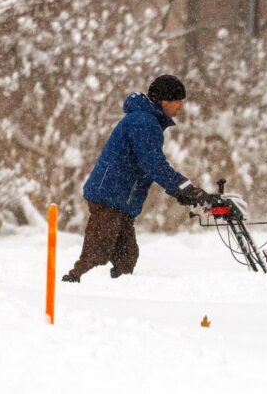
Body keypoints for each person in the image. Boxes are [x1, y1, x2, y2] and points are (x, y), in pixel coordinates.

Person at [62, 75, 209, 283]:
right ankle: (73, 284)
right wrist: (183, 188)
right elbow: (154, 164)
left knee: (126, 258)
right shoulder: (143, 121)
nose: (181, 106)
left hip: (120, 200)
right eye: (178, 100)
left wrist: (181, 189)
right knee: (96, 254)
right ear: (164, 100)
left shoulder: (146, 120)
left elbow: (151, 164)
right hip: (109, 197)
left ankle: (119, 297)